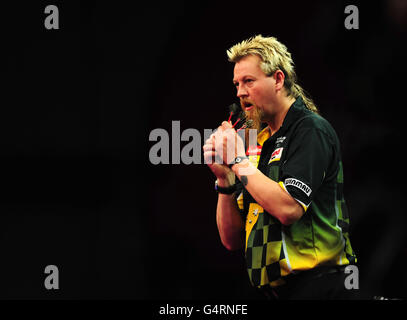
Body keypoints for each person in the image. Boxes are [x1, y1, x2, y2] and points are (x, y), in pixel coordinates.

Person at [203, 35, 358, 300]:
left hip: (322, 288)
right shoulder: (257, 143)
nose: (240, 92)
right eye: (237, 84)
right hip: (275, 292)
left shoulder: (310, 130)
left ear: (277, 79)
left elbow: (288, 209)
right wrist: (225, 179)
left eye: (249, 81)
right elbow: (231, 240)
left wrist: (238, 161)